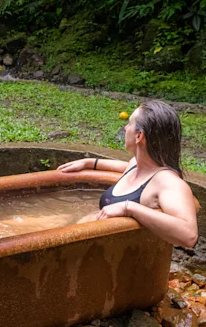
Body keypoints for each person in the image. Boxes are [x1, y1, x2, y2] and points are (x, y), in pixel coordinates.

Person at [58, 99, 198, 248]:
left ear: (139, 136)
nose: (125, 128)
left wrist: (128, 208)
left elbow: (189, 235)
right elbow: (123, 166)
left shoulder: (168, 183)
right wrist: (90, 163)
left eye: (129, 123)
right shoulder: (136, 165)